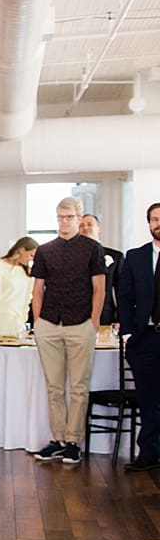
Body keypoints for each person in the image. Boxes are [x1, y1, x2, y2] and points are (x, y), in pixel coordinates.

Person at [31, 197, 107, 465]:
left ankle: (73, 441)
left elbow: (100, 288)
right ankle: (59, 439)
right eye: (60, 217)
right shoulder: (45, 250)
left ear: (79, 218)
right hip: (49, 323)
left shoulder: (92, 249)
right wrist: (38, 322)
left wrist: (94, 322)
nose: (64, 221)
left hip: (81, 323)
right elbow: (37, 289)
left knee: (78, 387)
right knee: (53, 387)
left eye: (69, 217)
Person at [119, 202, 160, 472]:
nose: (159, 223)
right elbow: (124, 297)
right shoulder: (135, 256)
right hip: (145, 339)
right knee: (148, 398)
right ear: (149, 224)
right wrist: (128, 333)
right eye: (155, 219)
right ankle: (148, 454)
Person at [0, 236, 38, 338]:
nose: (31, 260)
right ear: (22, 250)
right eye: (31, 255)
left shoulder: (26, 272)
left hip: (17, 323)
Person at [80, 213, 124, 325]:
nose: (85, 228)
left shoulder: (115, 256)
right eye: (81, 225)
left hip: (105, 316)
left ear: (99, 228)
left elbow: (121, 291)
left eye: (89, 224)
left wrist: (122, 319)